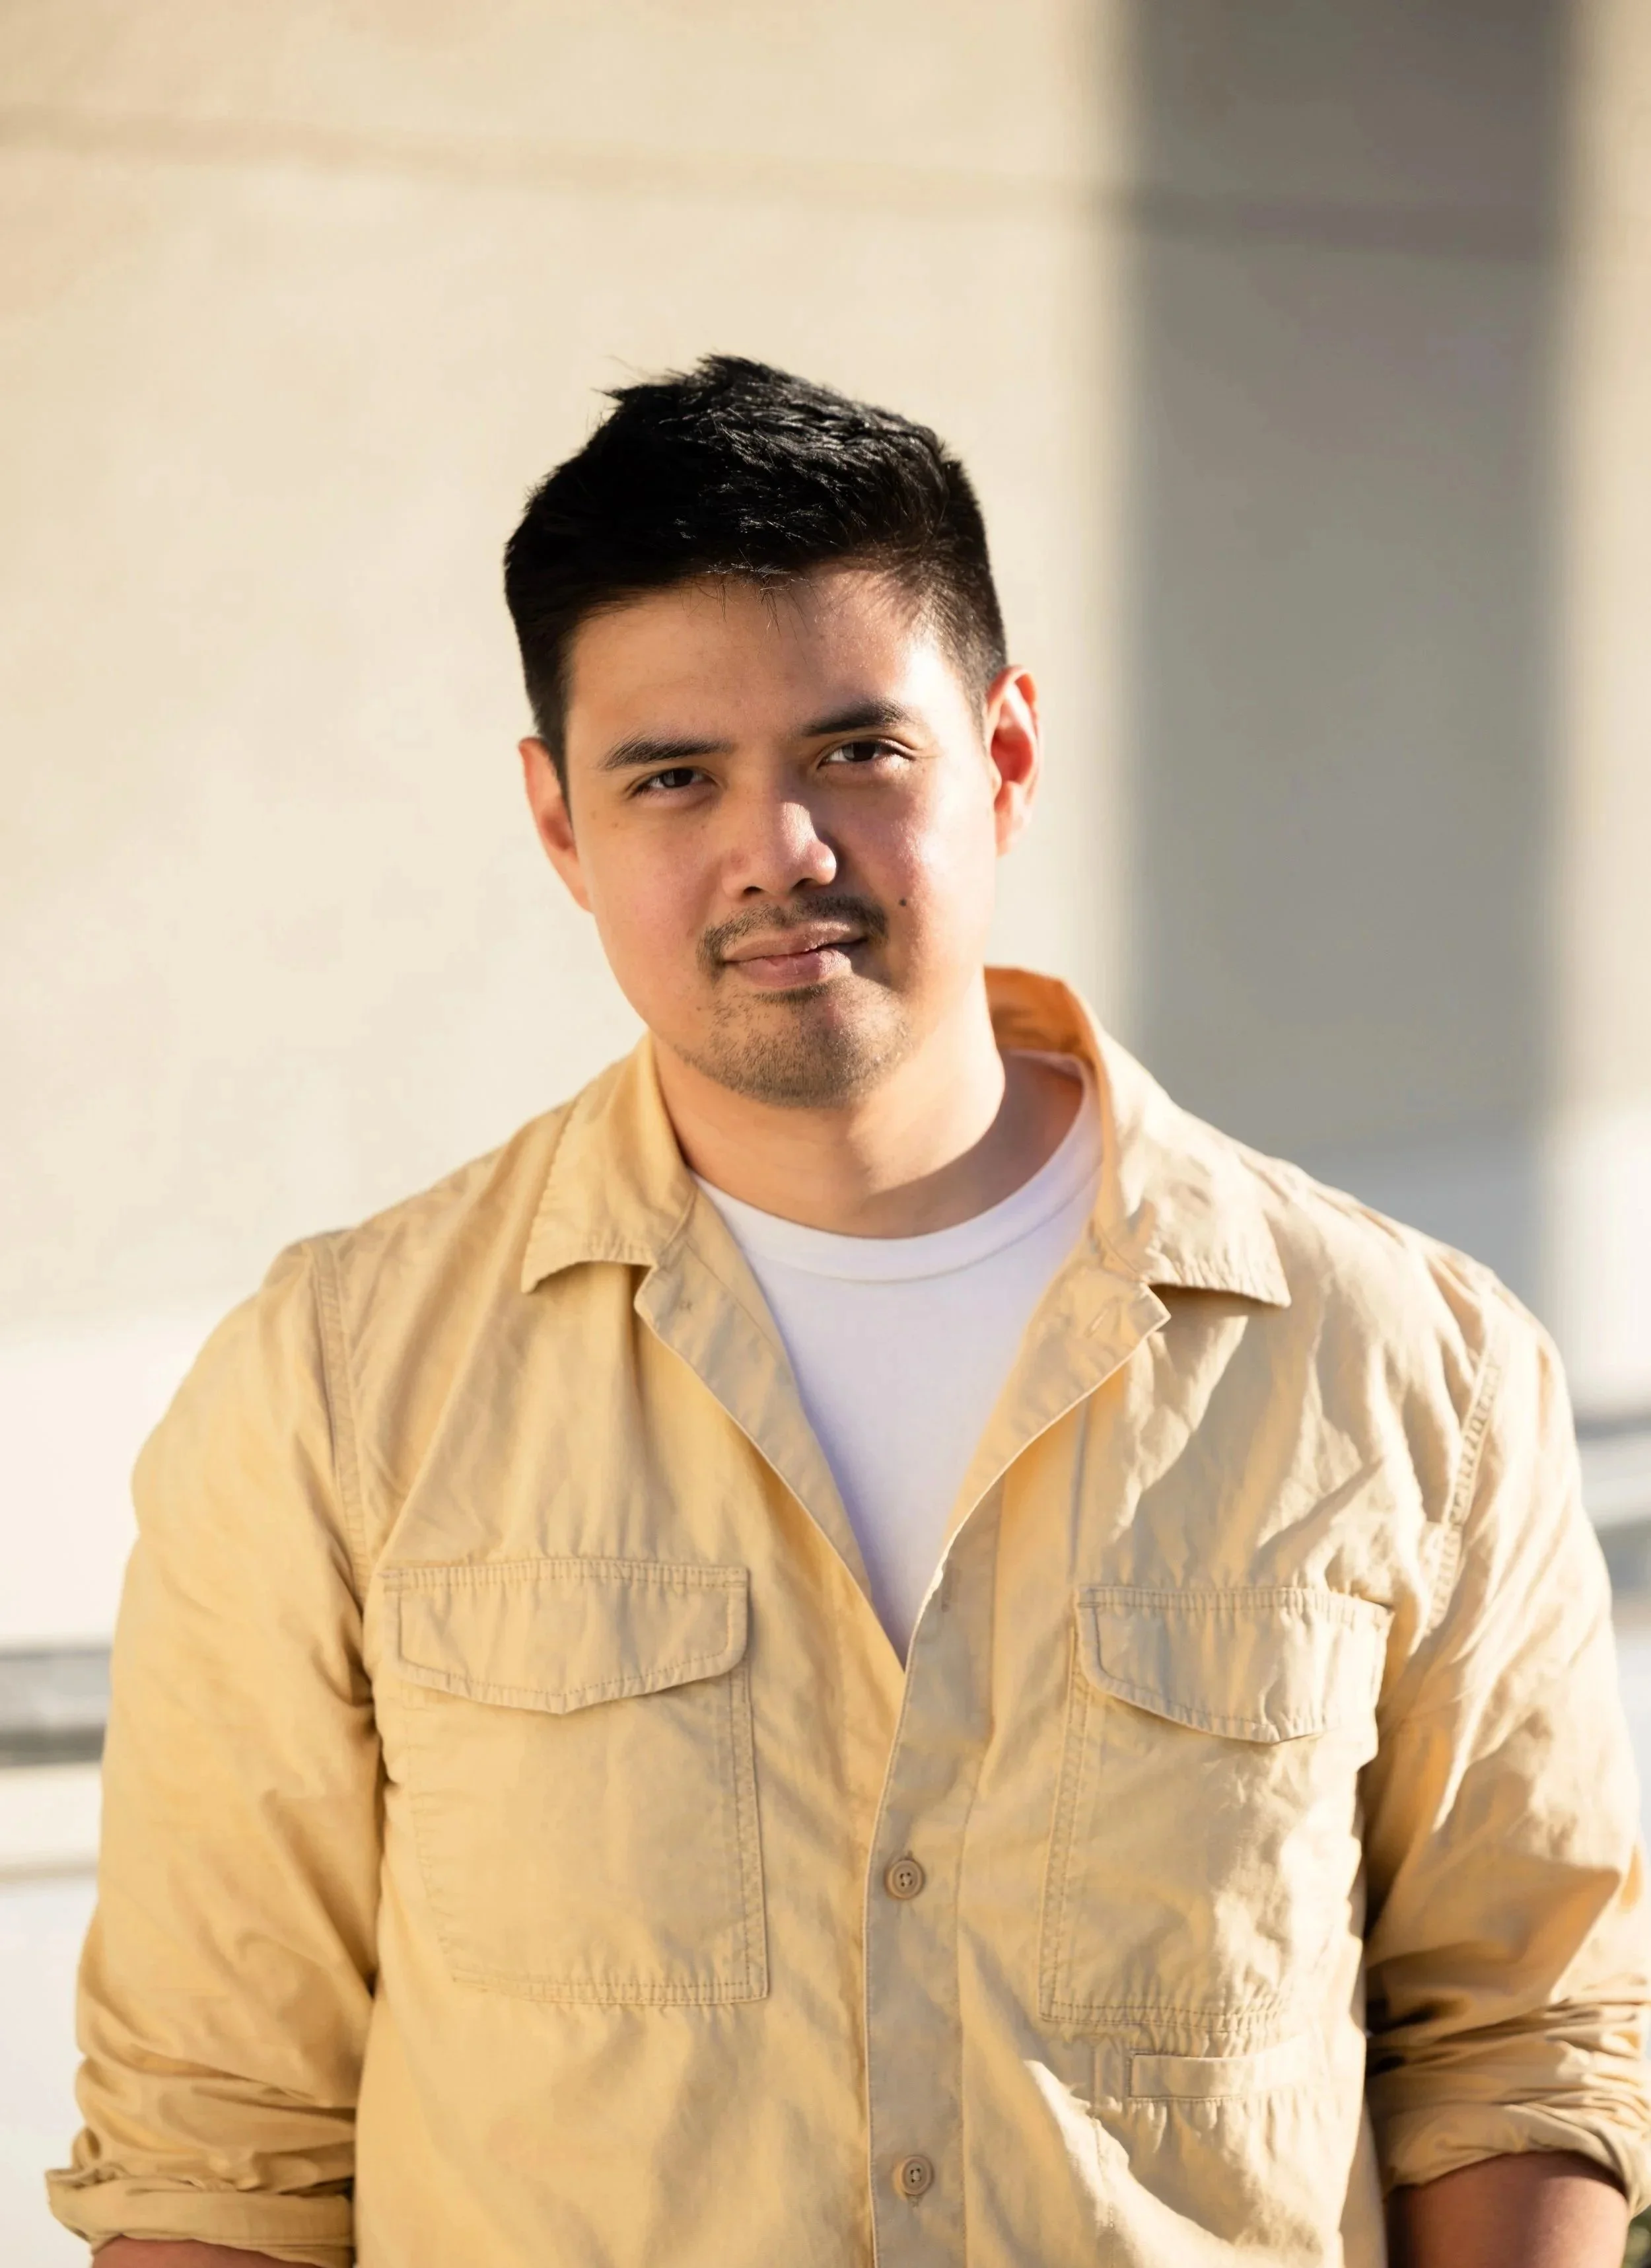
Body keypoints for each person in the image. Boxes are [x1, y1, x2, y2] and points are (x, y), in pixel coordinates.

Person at [49, 357, 1649, 2268]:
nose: (780, 850)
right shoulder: (334, 1386)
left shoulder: (1412, 1368)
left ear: (1006, 756)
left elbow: (1522, 2047)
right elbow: (218, 2147)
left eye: (857, 752)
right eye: (673, 777)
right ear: (558, 824)